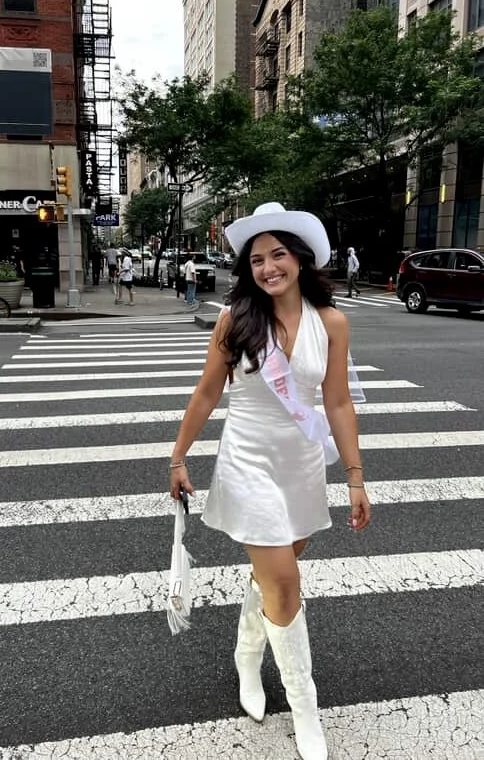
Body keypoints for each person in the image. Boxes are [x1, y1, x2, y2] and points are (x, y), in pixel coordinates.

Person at [169, 202, 370, 760]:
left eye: (277, 254)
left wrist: (354, 477)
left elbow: (338, 400)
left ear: (300, 259)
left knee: (273, 574)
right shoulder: (236, 319)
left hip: (300, 467)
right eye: (257, 259)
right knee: (284, 582)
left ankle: (246, 654)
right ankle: (305, 709)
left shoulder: (331, 322)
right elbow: (208, 391)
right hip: (249, 461)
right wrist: (178, 456)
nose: (267, 267)